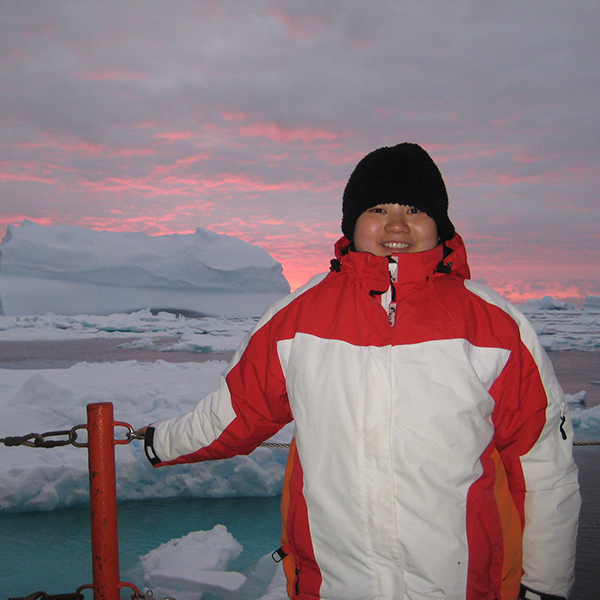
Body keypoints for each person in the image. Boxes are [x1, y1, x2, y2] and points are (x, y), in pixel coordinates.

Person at [139, 143, 580, 600]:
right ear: (353, 222)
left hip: (464, 585)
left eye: (414, 209)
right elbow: (235, 412)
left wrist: (545, 586)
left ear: (439, 225)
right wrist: (156, 442)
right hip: (333, 584)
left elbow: (543, 466)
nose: (396, 225)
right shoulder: (298, 317)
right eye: (377, 208)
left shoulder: (493, 324)